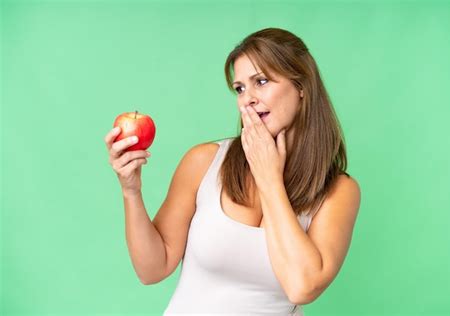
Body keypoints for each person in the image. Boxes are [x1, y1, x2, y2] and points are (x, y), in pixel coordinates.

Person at [104, 27, 361, 315]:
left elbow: (302, 286)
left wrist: (269, 179)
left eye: (261, 82)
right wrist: (131, 191)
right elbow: (152, 269)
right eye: (240, 88)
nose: (247, 99)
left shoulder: (339, 191)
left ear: (302, 86)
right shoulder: (204, 161)